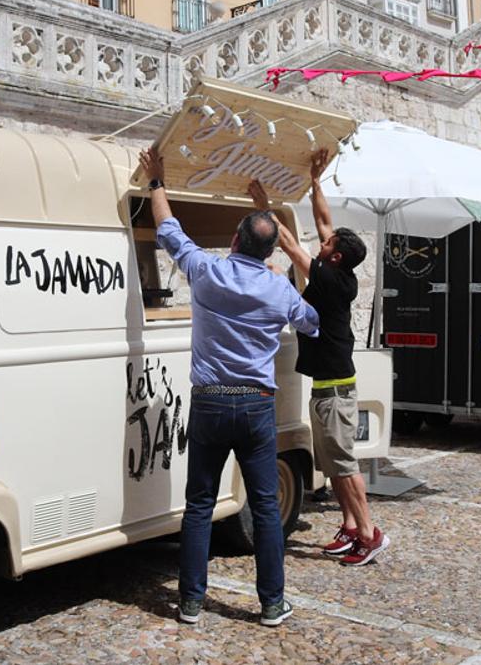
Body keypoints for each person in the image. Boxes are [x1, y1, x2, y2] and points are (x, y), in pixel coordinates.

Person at [140, 146, 320, 629]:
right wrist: (289, 270)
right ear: (268, 249)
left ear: (236, 242)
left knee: (199, 504)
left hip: (210, 402)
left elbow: (168, 230)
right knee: (264, 507)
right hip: (257, 405)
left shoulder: (207, 271)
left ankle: (191, 603)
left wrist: (158, 181)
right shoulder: (279, 289)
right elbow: (313, 322)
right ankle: (271, 604)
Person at [250, 151, 389, 568]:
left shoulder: (327, 279)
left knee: (344, 466)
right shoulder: (338, 270)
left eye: (326, 244)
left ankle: (368, 534)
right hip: (329, 389)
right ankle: (349, 527)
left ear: (334, 258)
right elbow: (325, 222)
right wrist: (314, 181)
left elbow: (288, 244)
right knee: (331, 465)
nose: (321, 239)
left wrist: (263, 208)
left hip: (334, 392)